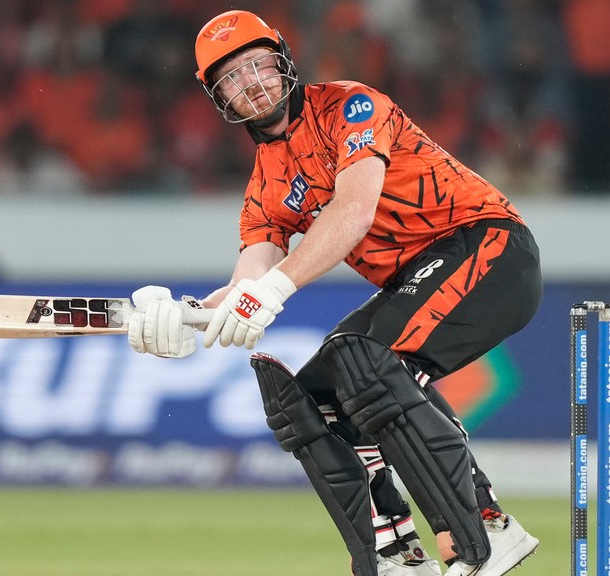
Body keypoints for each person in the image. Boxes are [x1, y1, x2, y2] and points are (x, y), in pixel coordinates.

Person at [126, 10, 542, 576]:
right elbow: (250, 277)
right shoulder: (265, 184)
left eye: (258, 64)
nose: (252, 83)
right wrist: (189, 316)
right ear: (218, 97)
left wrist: (276, 287)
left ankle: (483, 532)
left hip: (489, 247)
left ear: (282, 61)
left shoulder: (350, 106)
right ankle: (398, 554)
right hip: (419, 277)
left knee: (363, 360)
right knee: (315, 399)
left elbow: (354, 209)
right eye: (232, 77)